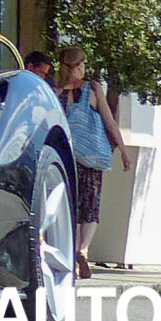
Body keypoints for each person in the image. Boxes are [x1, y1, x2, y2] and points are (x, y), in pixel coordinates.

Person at [57, 47, 128, 279]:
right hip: (91, 158)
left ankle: (70, 258)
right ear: (79, 66)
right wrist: (124, 152)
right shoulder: (93, 89)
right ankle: (83, 248)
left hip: (65, 157)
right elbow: (109, 122)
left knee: (69, 208)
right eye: (84, 64)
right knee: (90, 207)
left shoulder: (56, 90)